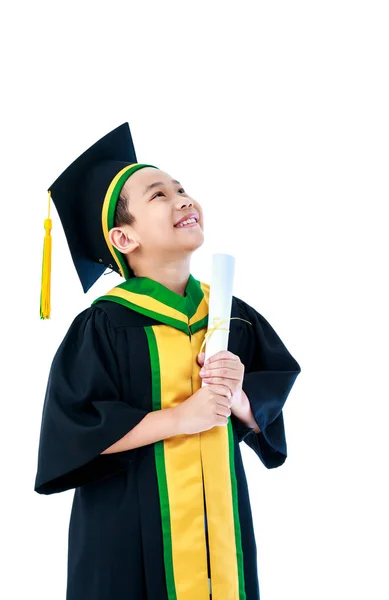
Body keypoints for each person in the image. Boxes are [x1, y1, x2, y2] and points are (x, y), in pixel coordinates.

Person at [34, 122, 301, 600]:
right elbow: (73, 431)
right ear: (123, 238)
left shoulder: (229, 315)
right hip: (126, 533)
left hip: (220, 530)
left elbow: (266, 405)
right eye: (158, 195)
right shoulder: (104, 326)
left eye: (180, 188)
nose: (182, 199)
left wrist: (239, 399)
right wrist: (180, 418)